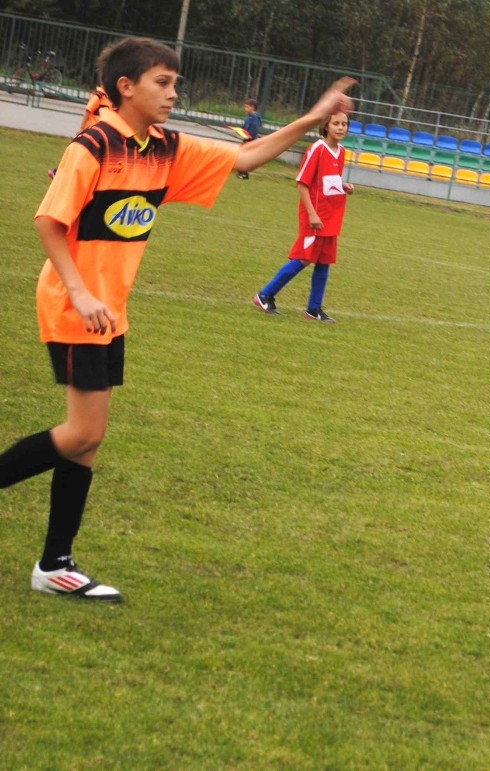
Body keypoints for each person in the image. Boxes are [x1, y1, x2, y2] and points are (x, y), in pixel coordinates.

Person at [0, 36, 354, 602]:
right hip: (76, 306)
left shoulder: (165, 147)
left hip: (110, 308)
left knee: (87, 442)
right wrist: (80, 292)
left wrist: (311, 119)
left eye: (175, 83)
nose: (173, 93)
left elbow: (245, 157)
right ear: (127, 86)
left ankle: (54, 563)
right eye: (163, 83)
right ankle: (53, 561)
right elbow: (48, 221)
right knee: (83, 432)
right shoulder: (92, 146)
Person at [253, 111, 354, 321]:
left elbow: (326, 180)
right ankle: (264, 295)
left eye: (344, 124)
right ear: (326, 126)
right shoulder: (317, 149)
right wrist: (312, 214)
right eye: (336, 123)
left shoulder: (342, 151)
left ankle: (313, 309)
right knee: (303, 258)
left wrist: (342, 186)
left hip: (332, 215)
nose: (341, 127)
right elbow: (302, 182)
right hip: (315, 216)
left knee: (324, 261)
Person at [48, 84, 114, 179]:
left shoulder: (107, 98)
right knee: (81, 155)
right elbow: (88, 110)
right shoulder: (98, 96)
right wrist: (82, 128)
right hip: (90, 132)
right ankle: (58, 172)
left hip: (98, 133)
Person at [236, 98, 262, 180]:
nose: (245, 109)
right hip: (246, 139)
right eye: (245, 107)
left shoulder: (254, 118)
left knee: (244, 156)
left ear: (252, 107)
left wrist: (248, 138)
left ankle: (244, 173)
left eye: (247, 107)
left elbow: (253, 131)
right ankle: (242, 173)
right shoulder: (247, 118)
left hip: (250, 140)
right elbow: (244, 127)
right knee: (241, 155)